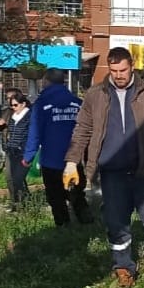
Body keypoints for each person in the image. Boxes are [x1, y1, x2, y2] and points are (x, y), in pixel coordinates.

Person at [64, 48, 144, 288]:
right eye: (114, 71)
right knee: (116, 224)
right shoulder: (96, 96)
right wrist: (71, 163)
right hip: (112, 173)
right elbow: (82, 130)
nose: (119, 75)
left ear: (132, 65)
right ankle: (123, 268)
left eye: (123, 70)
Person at [24, 68, 92, 227]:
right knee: (77, 195)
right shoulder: (78, 104)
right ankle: (88, 226)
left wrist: (28, 157)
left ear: (46, 82)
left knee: (56, 198)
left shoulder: (41, 105)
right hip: (75, 162)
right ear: (63, 82)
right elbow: (89, 131)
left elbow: (35, 134)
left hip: (51, 162)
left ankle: (63, 230)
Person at [0, 91, 32, 209]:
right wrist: (0, 125)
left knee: (18, 178)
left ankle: (25, 202)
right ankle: (15, 202)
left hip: (23, 150)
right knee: (9, 177)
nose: (12, 107)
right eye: (11, 104)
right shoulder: (11, 114)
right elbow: (5, 128)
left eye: (15, 105)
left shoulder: (30, 115)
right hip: (10, 149)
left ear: (23, 104)